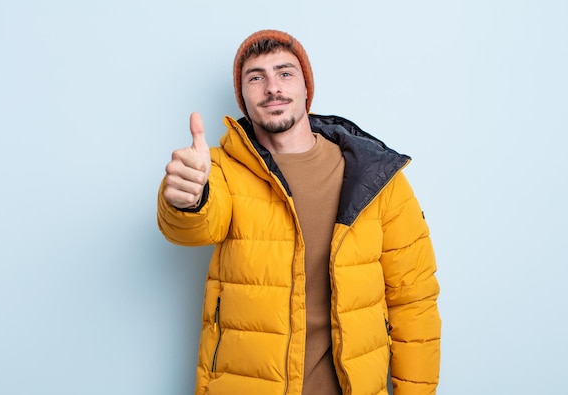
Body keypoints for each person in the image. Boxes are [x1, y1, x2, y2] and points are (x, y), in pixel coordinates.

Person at [157, 29, 441, 395]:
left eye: (285, 73)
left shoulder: (376, 177)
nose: (272, 87)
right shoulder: (221, 169)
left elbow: (413, 300)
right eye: (256, 77)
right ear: (242, 97)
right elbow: (194, 227)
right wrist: (187, 199)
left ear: (307, 88)